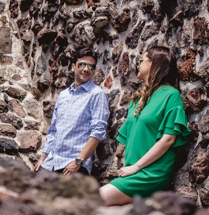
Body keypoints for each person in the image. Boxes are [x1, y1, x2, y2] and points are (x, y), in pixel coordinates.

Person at [99, 46, 191, 206]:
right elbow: (129, 136)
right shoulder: (137, 99)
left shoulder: (171, 95)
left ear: (153, 64)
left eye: (142, 60)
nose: (138, 64)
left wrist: (136, 166)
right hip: (131, 170)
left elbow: (168, 139)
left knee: (93, 200)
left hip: (150, 173)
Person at [34, 49, 110, 176]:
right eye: (82, 64)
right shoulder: (63, 95)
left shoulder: (97, 94)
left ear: (94, 71)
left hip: (73, 166)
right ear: (73, 66)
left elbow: (98, 132)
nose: (86, 69)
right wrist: (42, 158)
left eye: (91, 66)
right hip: (50, 163)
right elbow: (53, 130)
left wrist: (78, 161)